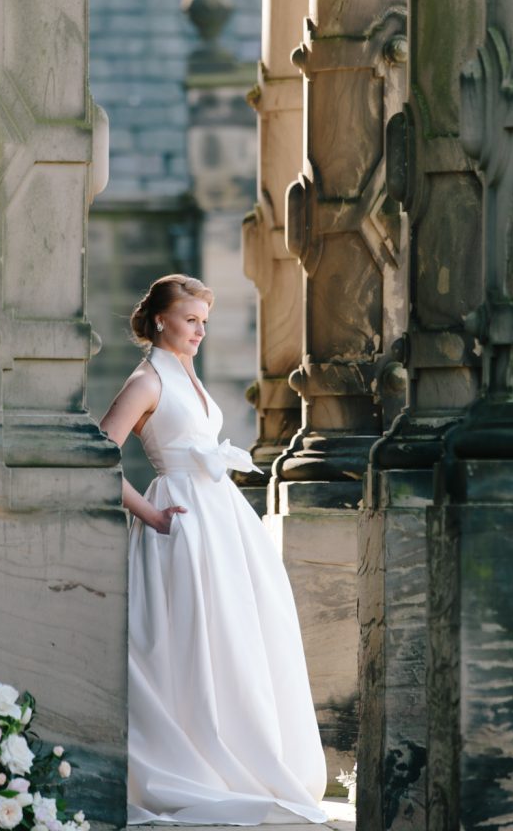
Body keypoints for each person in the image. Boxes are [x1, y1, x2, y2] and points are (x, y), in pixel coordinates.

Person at [100, 274, 328, 825]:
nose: (200, 331)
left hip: (221, 518)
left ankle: (240, 755)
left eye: (204, 321)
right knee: (189, 638)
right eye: (190, 320)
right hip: (181, 522)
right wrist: (151, 513)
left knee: (236, 634)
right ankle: (194, 761)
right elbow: (99, 453)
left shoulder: (185, 369)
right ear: (161, 319)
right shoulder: (147, 380)